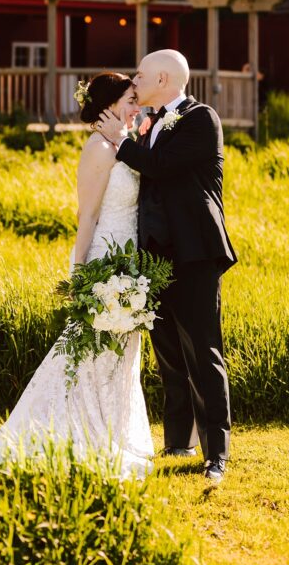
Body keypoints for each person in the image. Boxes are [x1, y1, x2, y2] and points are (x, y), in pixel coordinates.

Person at [0, 72, 154, 480]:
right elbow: (86, 215)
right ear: (110, 104)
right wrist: (80, 274)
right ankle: (76, 429)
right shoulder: (99, 148)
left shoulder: (123, 144)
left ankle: (114, 431)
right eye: (131, 100)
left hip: (130, 259)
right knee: (90, 351)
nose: (137, 107)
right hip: (105, 260)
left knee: (120, 352)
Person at [96, 49, 236, 485]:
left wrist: (121, 142)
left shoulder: (201, 118)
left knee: (203, 351)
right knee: (169, 352)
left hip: (194, 252)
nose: (134, 81)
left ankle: (217, 453)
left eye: (140, 75)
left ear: (162, 79)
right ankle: (178, 441)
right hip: (153, 256)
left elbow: (162, 166)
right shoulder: (148, 123)